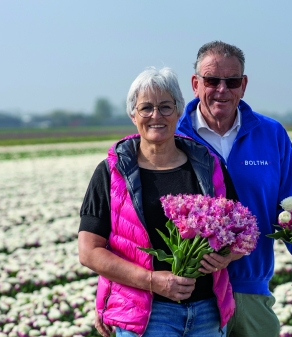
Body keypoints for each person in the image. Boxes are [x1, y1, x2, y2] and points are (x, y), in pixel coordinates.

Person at [175, 40, 292, 337]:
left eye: (231, 81)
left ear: (243, 85)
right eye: (212, 80)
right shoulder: (175, 137)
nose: (222, 89)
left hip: (251, 291)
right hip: (191, 295)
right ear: (195, 84)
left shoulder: (271, 134)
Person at [78, 67, 241, 337]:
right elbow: (89, 252)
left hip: (207, 313)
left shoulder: (208, 166)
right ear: (133, 115)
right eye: (146, 108)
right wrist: (153, 281)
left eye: (166, 107)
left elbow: (241, 232)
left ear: (179, 112)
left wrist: (225, 256)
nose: (156, 116)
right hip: (145, 316)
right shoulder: (111, 173)